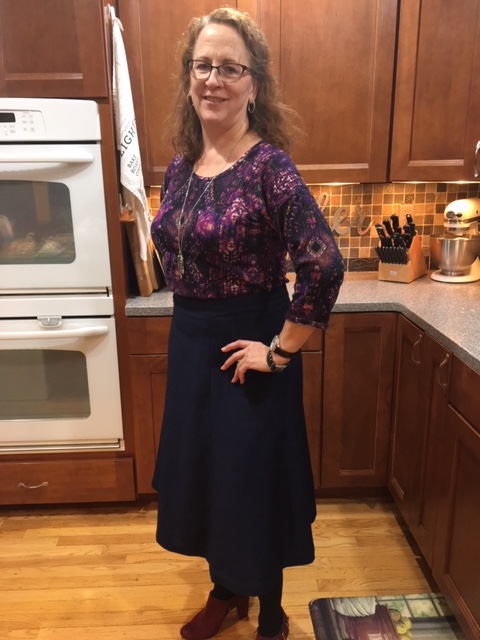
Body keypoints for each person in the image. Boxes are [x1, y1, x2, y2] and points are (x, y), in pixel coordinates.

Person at [150, 8, 344, 640]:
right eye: (202, 66)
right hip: (191, 344)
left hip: (248, 350)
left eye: (230, 68)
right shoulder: (181, 167)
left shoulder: (269, 168)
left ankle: (271, 613)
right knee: (212, 479)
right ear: (188, 78)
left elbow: (323, 262)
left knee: (252, 483)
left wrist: (280, 352)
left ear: (254, 84)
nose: (214, 80)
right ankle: (226, 592)